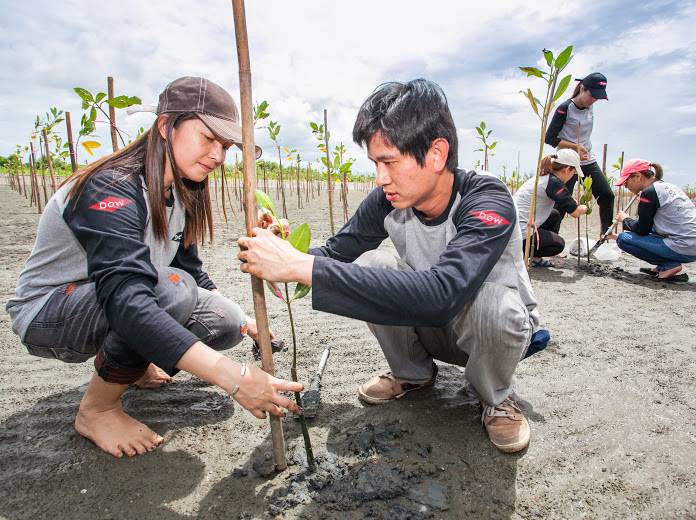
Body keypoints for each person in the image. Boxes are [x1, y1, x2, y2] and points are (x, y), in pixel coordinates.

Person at [239, 79, 549, 453]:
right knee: (375, 263)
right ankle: (413, 374)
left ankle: (497, 397)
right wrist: (282, 249)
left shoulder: (486, 198)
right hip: (435, 327)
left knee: (490, 303)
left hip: (493, 333)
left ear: (436, 154)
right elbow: (337, 253)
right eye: (375, 163)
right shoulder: (387, 199)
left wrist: (302, 267)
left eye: (389, 162)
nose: (380, 177)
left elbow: (443, 295)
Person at [5, 77, 302, 458]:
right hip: (49, 313)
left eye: (225, 146)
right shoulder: (109, 187)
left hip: (120, 299)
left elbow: (189, 271)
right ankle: (98, 409)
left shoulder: (184, 192)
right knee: (169, 289)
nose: (219, 155)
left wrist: (247, 321)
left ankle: (132, 363)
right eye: (208, 138)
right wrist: (235, 377)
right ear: (165, 126)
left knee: (224, 320)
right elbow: (129, 297)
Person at [545, 72, 615, 236]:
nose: (594, 100)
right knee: (561, 203)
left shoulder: (590, 107)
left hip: (586, 160)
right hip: (567, 161)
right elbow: (549, 138)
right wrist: (575, 146)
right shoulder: (564, 109)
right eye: (592, 95)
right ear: (582, 88)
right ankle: (549, 241)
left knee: (607, 195)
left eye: (598, 98)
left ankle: (606, 235)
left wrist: (582, 149)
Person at [614, 159, 696, 282]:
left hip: (684, 246)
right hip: (691, 244)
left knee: (623, 239)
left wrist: (625, 219)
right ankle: (665, 265)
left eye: (626, 182)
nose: (626, 186)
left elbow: (642, 230)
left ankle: (669, 266)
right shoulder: (669, 187)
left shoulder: (649, 193)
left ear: (637, 177)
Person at [514, 149, 588, 266]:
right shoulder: (554, 183)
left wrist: (571, 201)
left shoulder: (545, 177)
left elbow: (562, 200)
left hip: (514, 227)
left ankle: (536, 258)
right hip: (519, 235)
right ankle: (524, 252)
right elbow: (575, 212)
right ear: (567, 169)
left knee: (554, 214)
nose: (572, 176)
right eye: (573, 172)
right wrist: (585, 207)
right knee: (558, 244)